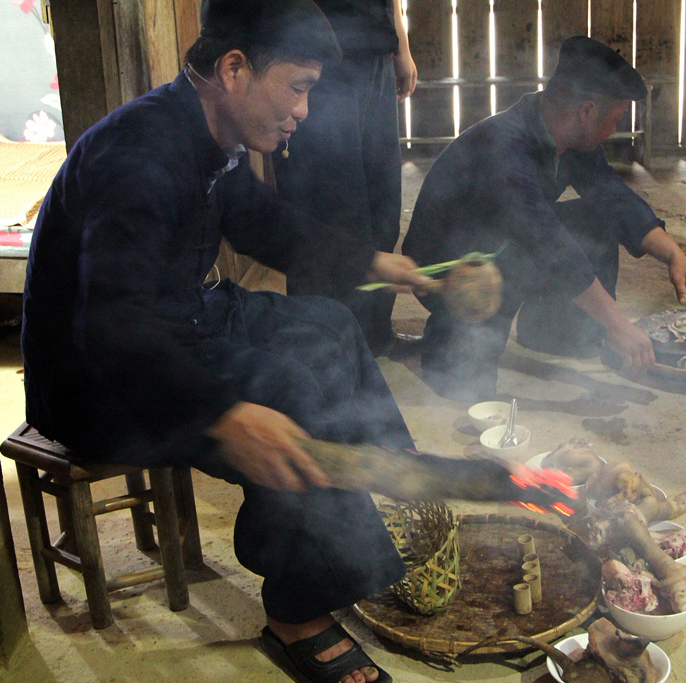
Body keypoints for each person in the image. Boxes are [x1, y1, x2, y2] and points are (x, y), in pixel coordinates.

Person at [21, 2, 429, 682]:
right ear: (235, 70)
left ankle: (377, 487)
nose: (303, 110)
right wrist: (225, 412)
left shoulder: (206, 132)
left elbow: (260, 221)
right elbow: (112, 328)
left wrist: (376, 263)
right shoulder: (139, 155)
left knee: (328, 324)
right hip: (98, 380)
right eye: (297, 88)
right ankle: (298, 613)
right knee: (286, 391)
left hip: (177, 317)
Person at [401, 37, 686, 403]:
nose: (614, 130)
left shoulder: (564, 136)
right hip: (451, 268)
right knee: (466, 388)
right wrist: (619, 324)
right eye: (614, 119)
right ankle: (445, 347)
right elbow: (545, 242)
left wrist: (675, 255)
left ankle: (557, 334)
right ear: (586, 111)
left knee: (591, 218)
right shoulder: (505, 147)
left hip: (504, 243)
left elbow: (612, 196)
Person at [271, 0, 417, 352]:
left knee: (383, 209)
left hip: (374, 52)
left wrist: (400, 44)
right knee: (329, 209)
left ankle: (374, 336)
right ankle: (324, 345)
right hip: (313, 55)